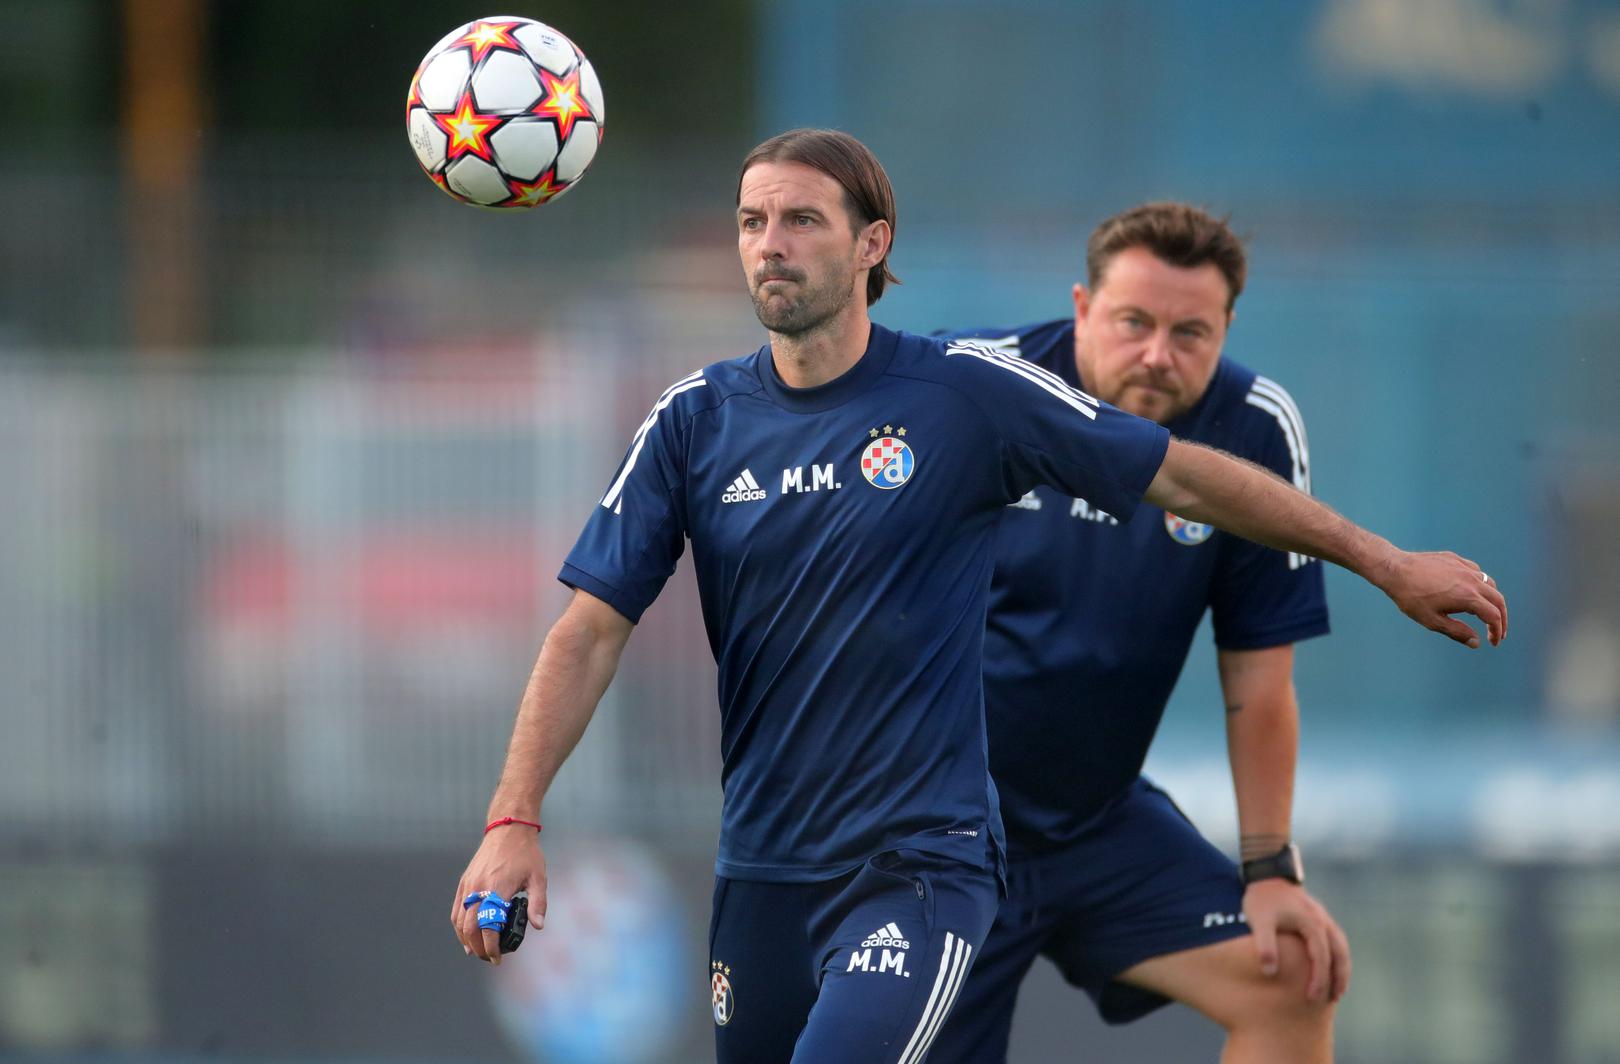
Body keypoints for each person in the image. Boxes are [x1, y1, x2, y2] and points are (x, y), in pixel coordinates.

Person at [450, 132, 1505, 1064]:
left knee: (1290, 984)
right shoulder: (693, 420)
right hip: (768, 865)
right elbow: (589, 631)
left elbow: (1186, 483)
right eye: (752, 221)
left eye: (802, 219)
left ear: (873, 244)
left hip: (930, 860)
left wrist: (1385, 562)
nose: (771, 243)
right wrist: (513, 817)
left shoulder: (966, 397)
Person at [925, 202, 1360, 1064]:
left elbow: (1260, 683)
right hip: (934, 835)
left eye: (1191, 332)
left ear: (1228, 327)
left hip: (1095, 822)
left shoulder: (1255, 429)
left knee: (1291, 978)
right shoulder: (967, 385)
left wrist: (1270, 868)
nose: (1159, 354)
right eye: (1134, 322)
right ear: (1083, 308)